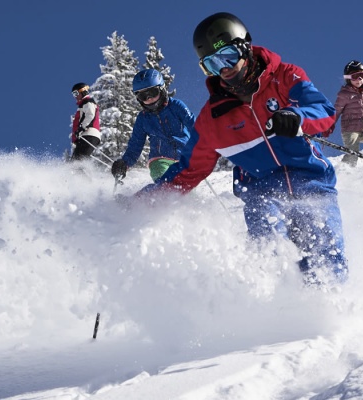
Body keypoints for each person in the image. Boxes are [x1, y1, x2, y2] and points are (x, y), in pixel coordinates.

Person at [136, 12, 348, 285]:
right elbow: (187, 171)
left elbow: (324, 112)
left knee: (327, 260)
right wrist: (139, 204)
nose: (224, 68)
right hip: (262, 192)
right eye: (212, 64)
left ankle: (330, 317)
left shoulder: (284, 77)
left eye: (227, 56)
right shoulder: (213, 119)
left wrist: (298, 118)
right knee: (271, 253)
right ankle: (278, 309)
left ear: (244, 46)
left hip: (312, 183)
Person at [110, 69, 195, 181]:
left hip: (185, 157)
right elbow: (135, 145)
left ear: (162, 89)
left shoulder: (176, 106)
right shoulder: (143, 118)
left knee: (187, 185)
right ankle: (157, 195)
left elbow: (193, 125)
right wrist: (125, 163)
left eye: (152, 93)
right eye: (143, 96)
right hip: (160, 158)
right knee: (164, 179)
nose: (149, 98)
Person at [70, 82, 101, 162]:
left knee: (76, 162)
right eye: (73, 94)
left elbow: (90, 115)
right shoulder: (84, 104)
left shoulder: (88, 101)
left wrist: (82, 128)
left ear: (83, 91)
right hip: (87, 135)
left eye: (76, 93)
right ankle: (82, 173)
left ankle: (80, 173)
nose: (75, 96)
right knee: (76, 161)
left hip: (89, 134)